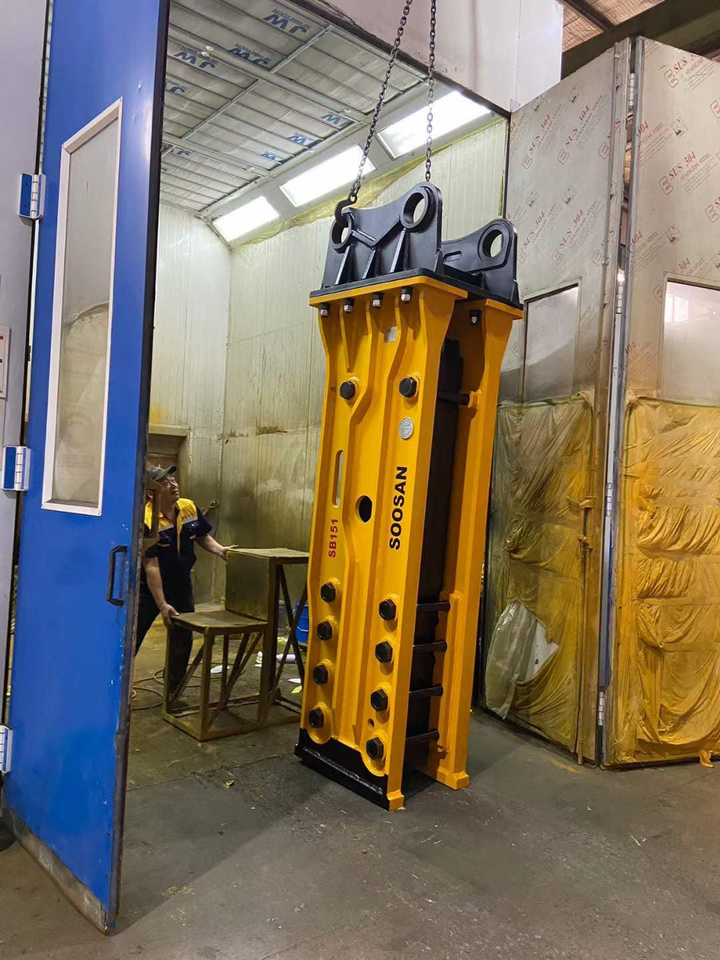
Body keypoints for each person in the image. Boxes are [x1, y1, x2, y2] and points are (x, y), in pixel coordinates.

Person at [137, 464, 237, 696]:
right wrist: (162, 605)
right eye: (165, 483)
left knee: (182, 639)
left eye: (173, 480)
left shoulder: (188, 507)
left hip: (181, 584)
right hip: (149, 588)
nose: (173, 485)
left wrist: (220, 549)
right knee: (132, 638)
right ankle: (114, 691)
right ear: (151, 492)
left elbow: (201, 535)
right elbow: (151, 566)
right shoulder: (146, 519)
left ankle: (173, 692)